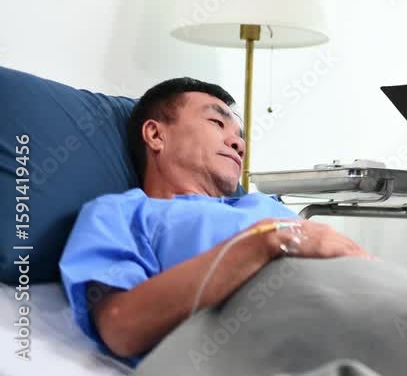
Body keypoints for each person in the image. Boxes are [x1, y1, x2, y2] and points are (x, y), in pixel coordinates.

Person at [59, 78, 370, 365]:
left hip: (367, 303)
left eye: (240, 137)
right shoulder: (121, 213)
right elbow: (120, 327)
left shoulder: (262, 204)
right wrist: (265, 242)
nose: (239, 144)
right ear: (155, 135)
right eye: (217, 123)